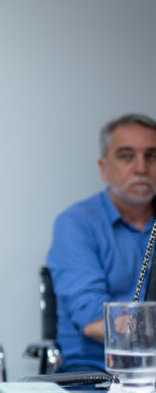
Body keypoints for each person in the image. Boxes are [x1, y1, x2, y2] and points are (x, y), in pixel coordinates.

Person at [47, 113, 156, 372]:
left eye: (152, 156)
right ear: (103, 167)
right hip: (99, 369)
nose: (141, 168)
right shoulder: (76, 224)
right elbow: (97, 321)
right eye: (127, 156)